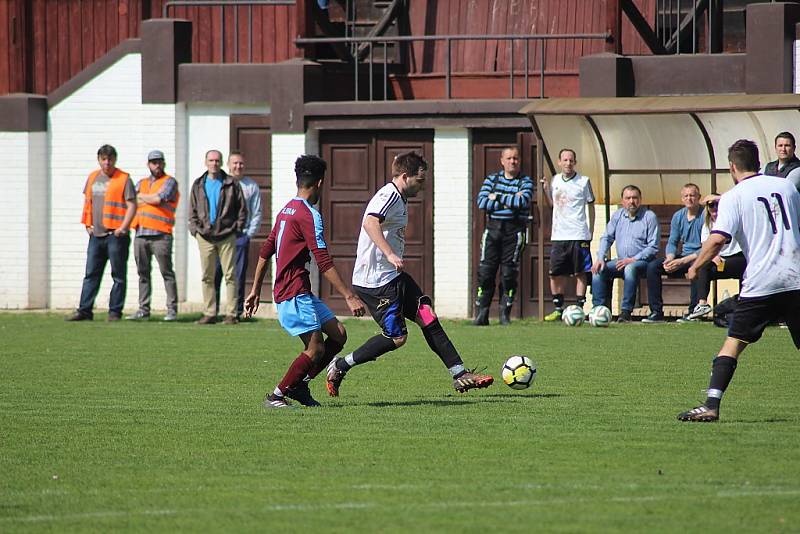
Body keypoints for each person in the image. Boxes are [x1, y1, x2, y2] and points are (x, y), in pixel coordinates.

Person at [326, 152, 494, 395]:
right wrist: (390, 254)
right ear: (405, 176)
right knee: (396, 338)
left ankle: (460, 374)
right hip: (376, 281)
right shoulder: (388, 196)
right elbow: (370, 222)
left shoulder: (400, 197)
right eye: (420, 180)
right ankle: (340, 365)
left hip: (392, 277)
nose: (422, 185)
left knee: (427, 315)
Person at [678, 139, 800, 422]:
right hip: (795, 278)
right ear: (759, 162)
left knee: (733, 342)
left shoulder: (734, 196)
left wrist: (695, 266)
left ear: (732, 166)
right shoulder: (787, 187)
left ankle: (711, 404)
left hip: (763, 282)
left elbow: (718, 239)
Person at [244, 155, 365, 409]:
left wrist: (255, 289)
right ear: (320, 183)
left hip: (298, 291)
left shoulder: (286, 209)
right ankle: (277, 395)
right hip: (293, 292)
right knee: (315, 349)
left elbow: (265, 251)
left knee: (338, 334)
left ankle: (300, 385)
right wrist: (348, 295)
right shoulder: (309, 215)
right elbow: (322, 260)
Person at [66, 145, 136, 322]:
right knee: (91, 274)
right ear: (99, 160)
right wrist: (87, 224)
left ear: (115, 160)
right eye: (104, 159)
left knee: (118, 275)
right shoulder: (93, 177)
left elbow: (132, 205)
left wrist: (124, 227)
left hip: (115, 235)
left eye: (110, 159)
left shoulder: (123, 178)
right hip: (96, 235)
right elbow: (88, 202)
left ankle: (114, 312)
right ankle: (84, 310)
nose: (107, 162)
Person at [473, 146, 534, 325]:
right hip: (492, 230)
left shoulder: (526, 181)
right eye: (508, 158)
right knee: (486, 272)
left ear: (519, 160)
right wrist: (509, 200)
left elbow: (522, 201)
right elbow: (482, 202)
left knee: (508, 274)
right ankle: (482, 314)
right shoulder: (491, 179)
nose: (512, 162)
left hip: (514, 231)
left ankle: (504, 314)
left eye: (515, 158)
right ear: (502, 160)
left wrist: (496, 197)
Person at [188, 149, 247, 325]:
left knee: (230, 275)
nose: (214, 163)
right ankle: (210, 313)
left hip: (227, 235)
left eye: (217, 160)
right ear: (205, 162)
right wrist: (195, 230)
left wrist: (236, 228)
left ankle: (231, 314)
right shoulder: (198, 184)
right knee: (207, 275)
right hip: (204, 236)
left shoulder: (231, 183)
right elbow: (192, 210)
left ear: (221, 163)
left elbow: (242, 209)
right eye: (211, 160)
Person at [590, 185, 659, 323]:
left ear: (640, 200)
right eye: (628, 198)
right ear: (623, 201)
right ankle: (598, 310)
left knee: (630, 268)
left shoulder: (649, 216)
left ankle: (626, 312)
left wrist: (633, 259)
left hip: (642, 262)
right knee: (599, 269)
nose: (631, 201)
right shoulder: (618, 215)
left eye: (635, 198)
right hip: (621, 260)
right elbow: (606, 237)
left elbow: (653, 246)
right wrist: (600, 258)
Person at [541, 148, 596, 321]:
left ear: (575, 162)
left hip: (578, 233)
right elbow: (553, 205)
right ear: (559, 162)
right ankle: (558, 308)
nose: (568, 163)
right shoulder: (555, 180)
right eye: (565, 160)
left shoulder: (583, 181)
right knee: (555, 273)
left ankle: (579, 307)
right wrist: (545, 191)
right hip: (559, 235)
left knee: (580, 272)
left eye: (571, 160)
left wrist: (591, 230)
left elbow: (591, 205)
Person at [127, 150, 180, 322]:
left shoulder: (170, 182)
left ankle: (171, 310)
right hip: (141, 234)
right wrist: (147, 198)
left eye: (159, 162)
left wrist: (143, 197)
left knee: (166, 273)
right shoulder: (141, 183)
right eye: (153, 162)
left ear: (163, 163)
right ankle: (143, 309)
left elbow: (160, 199)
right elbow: (132, 201)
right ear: (148, 164)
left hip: (161, 234)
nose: (156, 165)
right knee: (143, 273)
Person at [641, 183, 705, 323]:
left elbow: (706, 248)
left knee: (697, 267)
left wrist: (681, 261)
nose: (689, 199)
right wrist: (670, 259)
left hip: (699, 256)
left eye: (692, 195)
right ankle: (656, 312)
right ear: (682, 199)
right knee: (653, 267)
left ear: (699, 197)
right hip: (683, 256)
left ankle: (693, 312)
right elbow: (672, 241)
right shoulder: (678, 216)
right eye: (686, 196)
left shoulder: (705, 215)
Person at [681, 194, 746, 322]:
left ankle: (744, 306)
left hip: (738, 258)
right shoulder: (707, 224)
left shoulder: (732, 219)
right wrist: (713, 256)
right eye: (711, 206)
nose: (715, 209)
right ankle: (701, 304)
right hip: (719, 260)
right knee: (700, 266)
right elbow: (706, 246)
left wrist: (720, 198)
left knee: (744, 266)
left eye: (718, 205)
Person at [214, 150, 263, 319]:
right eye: (234, 163)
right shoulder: (220, 183)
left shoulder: (251, 186)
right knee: (215, 272)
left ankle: (238, 311)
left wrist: (248, 234)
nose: (238, 166)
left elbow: (256, 213)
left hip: (240, 236)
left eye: (241, 163)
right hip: (219, 236)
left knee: (238, 274)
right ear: (228, 165)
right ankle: (213, 310)